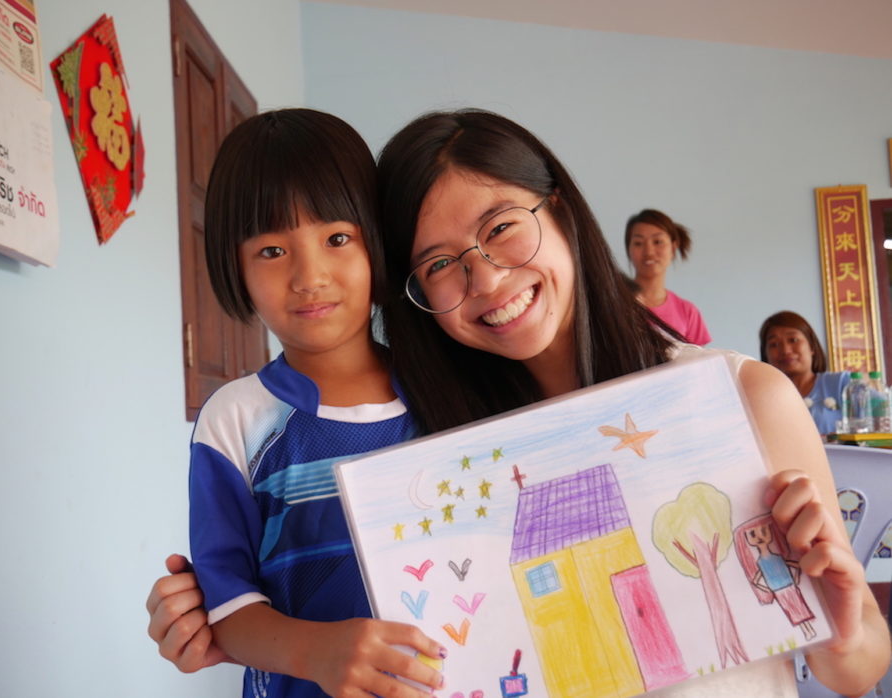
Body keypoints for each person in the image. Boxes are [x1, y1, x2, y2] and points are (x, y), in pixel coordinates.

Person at [148, 110, 890, 697]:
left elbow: (854, 671)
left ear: (559, 210)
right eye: (439, 264)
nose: (487, 276)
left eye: (501, 226)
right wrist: (218, 616)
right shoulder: (455, 434)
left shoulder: (741, 397)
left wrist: (844, 618)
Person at [177, 108, 445, 698]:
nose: (310, 275)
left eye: (337, 238)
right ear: (235, 268)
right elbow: (226, 601)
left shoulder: (442, 391)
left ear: (375, 241)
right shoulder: (237, 420)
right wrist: (316, 652)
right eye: (272, 251)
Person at [624, 208, 712, 346]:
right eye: (638, 243)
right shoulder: (614, 304)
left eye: (657, 241)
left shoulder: (688, 312)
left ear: (673, 247)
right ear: (628, 249)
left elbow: (699, 364)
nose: (649, 251)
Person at [759, 310, 850, 436]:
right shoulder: (760, 399)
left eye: (793, 340)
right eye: (774, 344)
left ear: (812, 346)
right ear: (765, 355)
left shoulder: (841, 383)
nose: (785, 350)